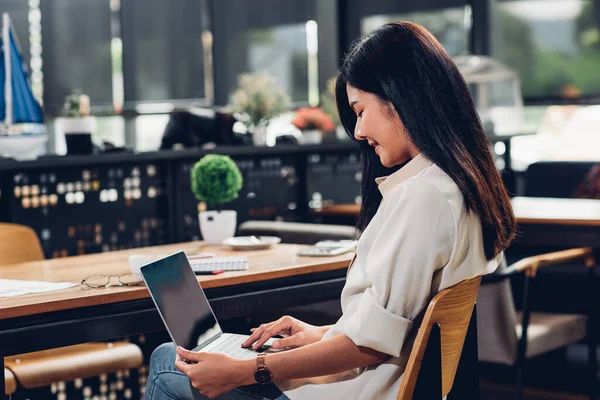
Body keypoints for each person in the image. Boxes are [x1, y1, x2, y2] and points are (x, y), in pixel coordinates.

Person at [144, 21, 517, 400]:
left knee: (166, 363)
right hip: (371, 383)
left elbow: (368, 347)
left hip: (359, 391)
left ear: (401, 98)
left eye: (360, 110)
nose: (357, 131)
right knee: (178, 359)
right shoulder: (458, 186)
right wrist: (322, 334)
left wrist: (247, 371)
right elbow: (399, 326)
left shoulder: (425, 197)